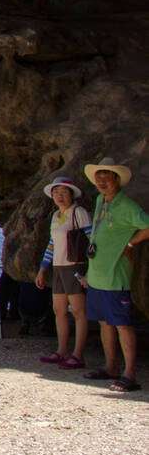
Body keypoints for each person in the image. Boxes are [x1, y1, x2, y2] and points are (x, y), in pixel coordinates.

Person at [79, 157, 148, 393]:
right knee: (105, 323)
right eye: (99, 178)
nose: (101, 182)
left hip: (115, 277)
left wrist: (130, 244)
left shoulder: (127, 206)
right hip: (97, 275)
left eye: (106, 177)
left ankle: (130, 374)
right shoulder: (100, 200)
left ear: (117, 179)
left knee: (122, 324)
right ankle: (110, 367)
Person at [34, 177, 91, 370]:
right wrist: (43, 268)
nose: (59, 196)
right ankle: (61, 350)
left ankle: (77, 355)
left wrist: (89, 271)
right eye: (56, 192)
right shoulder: (56, 216)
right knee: (59, 310)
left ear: (71, 194)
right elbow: (52, 244)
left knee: (78, 311)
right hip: (58, 268)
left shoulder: (79, 213)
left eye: (64, 192)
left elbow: (92, 242)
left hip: (75, 266)